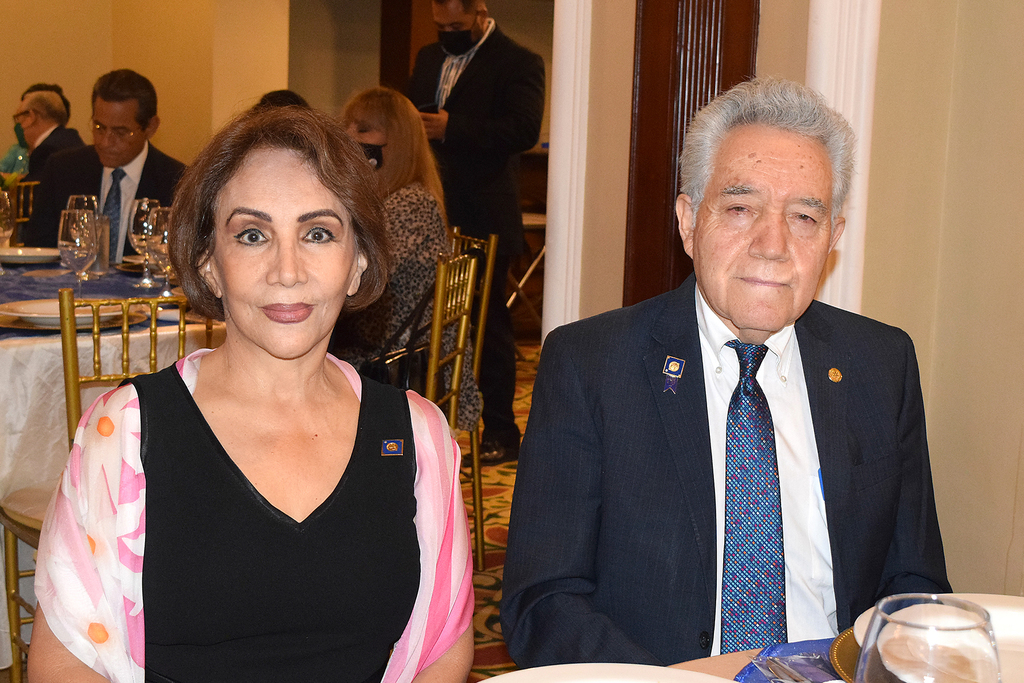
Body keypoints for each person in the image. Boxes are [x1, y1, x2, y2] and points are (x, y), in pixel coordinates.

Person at [500, 78, 950, 667]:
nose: (773, 244)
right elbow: (543, 603)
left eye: (805, 217)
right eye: (740, 209)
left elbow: (915, 584)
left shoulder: (880, 364)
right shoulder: (591, 365)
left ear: (832, 238)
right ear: (689, 222)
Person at [30, 106, 474, 683]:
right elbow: (65, 661)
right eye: (252, 235)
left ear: (358, 262)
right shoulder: (127, 434)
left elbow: (441, 651)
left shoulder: (416, 436)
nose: (287, 271)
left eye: (318, 233)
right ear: (209, 265)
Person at [407, 0, 545, 463]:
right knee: (426, 323)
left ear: (480, 12)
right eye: (440, 24)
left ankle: (501, 431)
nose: (447, 32)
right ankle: (426, 425)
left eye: (456, 24)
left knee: (487, 330)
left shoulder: (519, 61)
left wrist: (452, 127)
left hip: (485, 212)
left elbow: (523, 130)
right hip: (431, 209)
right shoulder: (429, 56)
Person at [331, 86, 482, 432]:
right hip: (387, 345)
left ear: (396, 142)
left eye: (363, 129)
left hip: (395, 359)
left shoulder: (411, 204)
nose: (350, 138)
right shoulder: (392, 200)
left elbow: (359, 277)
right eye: (348, 127)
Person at [21, 69, 186, 260]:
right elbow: (37, 251)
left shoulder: (178, 182)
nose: (105, 142)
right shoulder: (63, 169)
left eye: (120, 132)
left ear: (150, 127)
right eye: (99, 127)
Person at [13, 84, 85, 181]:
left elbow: (34, 189)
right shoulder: (71, 138)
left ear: (31, 117)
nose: (20, 125)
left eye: (19, 118)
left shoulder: (45, 151)